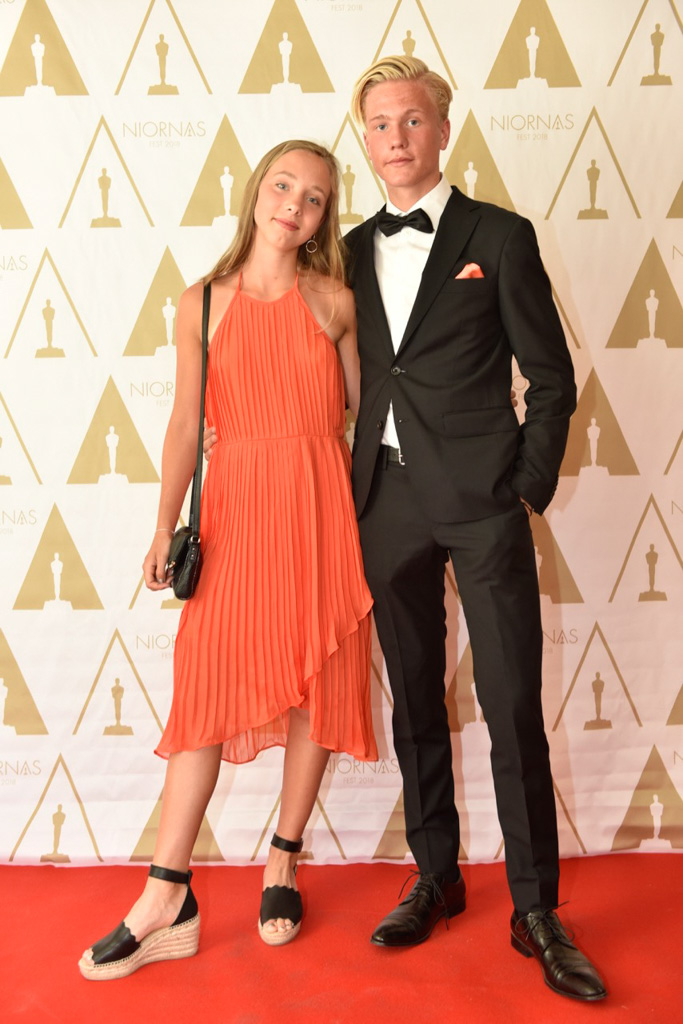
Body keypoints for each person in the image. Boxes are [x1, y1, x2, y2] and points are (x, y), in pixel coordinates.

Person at [78, 140, 376, 981]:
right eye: (282, 185)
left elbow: (364, 412)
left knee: (319, 675)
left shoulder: (335, 302)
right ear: (255, 193)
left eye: (313, 197)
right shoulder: (201, 303)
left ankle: (283, 858)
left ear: (323, 219)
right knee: (206, 689)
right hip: (237, 512)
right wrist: (161, 525)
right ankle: (166, 893)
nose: (294, 205)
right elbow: (184, 423)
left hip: (319, 510)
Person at [344, 55, 605, 1003]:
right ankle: (436, 876)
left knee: (509, 703)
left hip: (484, 501)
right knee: (415, 701)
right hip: (386, 503)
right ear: (364, 138)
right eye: (380, 123)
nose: (396, 138)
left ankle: (535, 909)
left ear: (442, 130)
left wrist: (522, 488)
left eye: (411, 120)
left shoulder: (497, 234)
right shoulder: (345, 250)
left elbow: (551, 377)